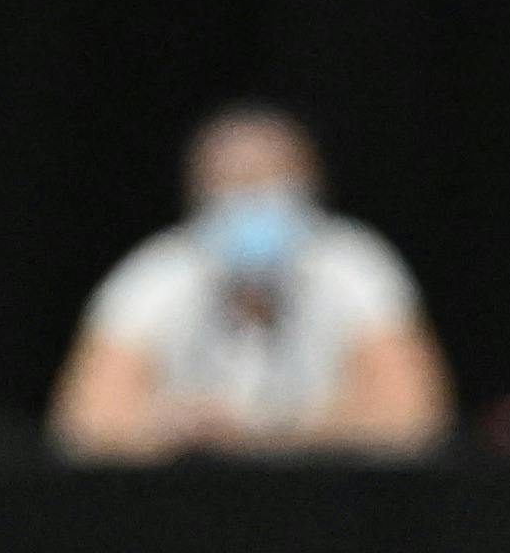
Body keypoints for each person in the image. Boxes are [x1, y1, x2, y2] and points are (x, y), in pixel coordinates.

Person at [48, 105, 450, 461]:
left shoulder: (355, 268)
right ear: (199, 194)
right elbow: (81, 426)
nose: (254, 198)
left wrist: (270, 433)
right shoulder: (156, 276)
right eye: (234, 182)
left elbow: (415, 420)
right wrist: (169, 425)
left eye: (272, 178)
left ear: (310, 186)